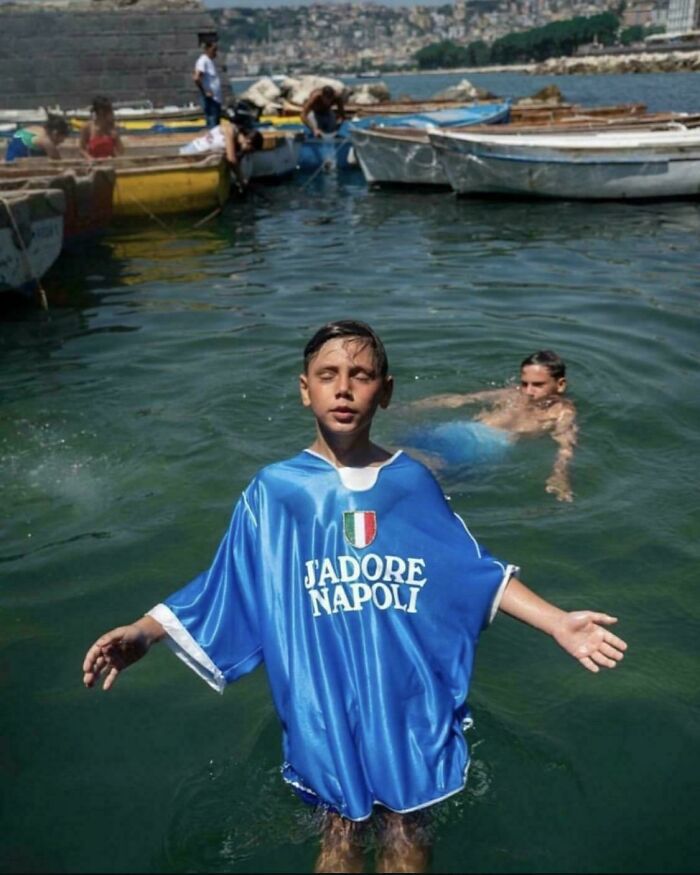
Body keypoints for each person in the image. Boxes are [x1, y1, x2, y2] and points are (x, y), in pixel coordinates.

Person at [82, 322, 626, 874]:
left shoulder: (412, 481)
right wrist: (145, 631)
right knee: (338, 837)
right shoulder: (275, 490)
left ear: (384, 392)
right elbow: (229, 577)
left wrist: (559, 622)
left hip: (406, 700)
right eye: (328, 376)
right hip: (324, 700)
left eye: (360, 376)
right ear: (305, 389)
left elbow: (472, 571)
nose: (343, 389)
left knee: (407, 832)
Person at [406, 350, 578, 502]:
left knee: (418, 479)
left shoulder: (562, 412)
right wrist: (413, 407)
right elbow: (463, 399)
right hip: (456, 431)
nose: (528, 391)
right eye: (524, 383)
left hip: (483, 449)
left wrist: (560, 475)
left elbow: (565, 445)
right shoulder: (511, 394)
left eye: (538, 385)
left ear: (560, 384)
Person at [178, 104, 264, 192]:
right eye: (251, 150)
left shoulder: (236, 141)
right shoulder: (230, 129)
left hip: (200, 156)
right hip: (191, 152)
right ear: (248, 142)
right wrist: (241, 180)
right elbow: (231, 159)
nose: (249, 153)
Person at [4, 113, 70, 162]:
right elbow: (58, 162)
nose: (60, 143)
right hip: (19, 156)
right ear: (55, 133)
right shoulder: (47, 142)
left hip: (12, 150)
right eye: (60, 140)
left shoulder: (39, 129)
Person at [78, 95, 124, 159]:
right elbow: (81, 149)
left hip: (110, 163)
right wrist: (91, 159)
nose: (112, 113)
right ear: (101, 112)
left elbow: (121, 151)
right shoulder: (88, 127)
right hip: (93, 164)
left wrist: (116, 138)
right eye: (110, 111)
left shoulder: (112, 127)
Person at [193, 38, 223, 129]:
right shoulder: (203, 61)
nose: (215, 53)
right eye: (214, 50)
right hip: (210, 99)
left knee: (216, 124)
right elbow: (197, 77)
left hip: (216, 99)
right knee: (212, 124)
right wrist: (205, 92)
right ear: (207, 49)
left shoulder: (210, 62)